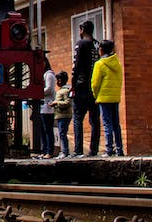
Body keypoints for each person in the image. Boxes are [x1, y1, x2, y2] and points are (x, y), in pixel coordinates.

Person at [71, 19, 101, 157]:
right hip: (94, 85)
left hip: (82, 84)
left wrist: (73, 85)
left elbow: (76, 66)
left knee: (78, 118)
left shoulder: (81, 44)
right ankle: (93, 149)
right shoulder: (96, 45)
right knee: (94, 119)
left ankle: (78, 150)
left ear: (82, 29)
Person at [92, 38, 124, 156]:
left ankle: (109, 149)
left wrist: (96, 96)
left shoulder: (99, 64)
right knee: (116, 124)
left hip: (103, 98)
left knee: (107, 124)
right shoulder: (117, 63)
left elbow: (95, 84)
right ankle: (119, 149)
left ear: (101, 50)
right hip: (115, 97)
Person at [51, 70, 73, 158]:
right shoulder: (61, 91)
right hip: (59, 115)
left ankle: (65, 151)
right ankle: (64, 151)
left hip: (64, 115)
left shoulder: (65, 91)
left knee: (62, 133)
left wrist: (56, 103)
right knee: (61, 133)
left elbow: (67, 102)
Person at [39, 57, 56, 157]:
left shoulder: (49, 74)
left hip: (47, 105)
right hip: (42, 106)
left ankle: (50, 151)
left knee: (48, 129)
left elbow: (49, 89)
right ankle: (44, 150)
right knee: (42, 130)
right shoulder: (42, 74)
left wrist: (38, 92)